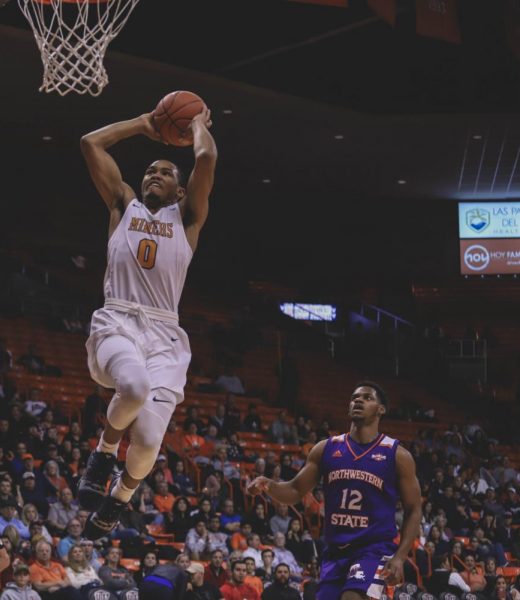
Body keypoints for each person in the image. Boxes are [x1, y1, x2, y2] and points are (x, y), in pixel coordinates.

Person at [76, 105, 217, 540]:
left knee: (152, 437)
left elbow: (207, 159)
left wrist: (196, 124)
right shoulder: (123, 204)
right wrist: (143, 125)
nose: (154, 174)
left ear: (179, 190)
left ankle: (119, 500)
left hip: (164, 334)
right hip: (118, 320)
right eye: (150, 170)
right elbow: (90, 143)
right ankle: (103, 453)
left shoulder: (187, 219)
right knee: (133, 389)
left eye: (166, 172)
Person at [247, 382, 422, 600]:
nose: (358, 400)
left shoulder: (397, 455)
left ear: (381, 409)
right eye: (354, 397)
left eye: (367, 397)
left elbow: (414, 509)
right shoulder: (326, 448)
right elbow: (294, 489)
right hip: (335, 550)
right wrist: (269, 485)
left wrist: (400, 556)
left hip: (373, 549)